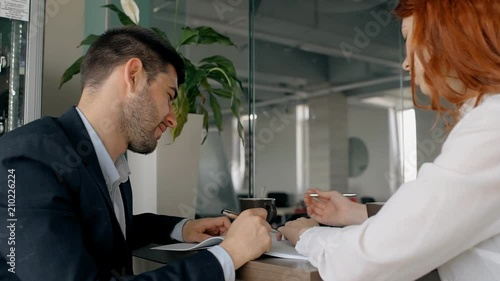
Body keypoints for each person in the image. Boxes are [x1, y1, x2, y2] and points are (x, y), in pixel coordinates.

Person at [0, 26, 272, 281]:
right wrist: (228, 255)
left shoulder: (109, 163)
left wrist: (182, 228)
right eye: (169, 95)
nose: (172, 119)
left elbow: (102, 227)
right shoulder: (27, 161)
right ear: (133, 76)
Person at [278, 0, 500, 280]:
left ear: (449, 34)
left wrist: (305, 235)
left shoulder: (491, 127)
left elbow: (365, 264)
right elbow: (451, 217)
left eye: (409, 38)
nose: (406, 62)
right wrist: (359, 213)